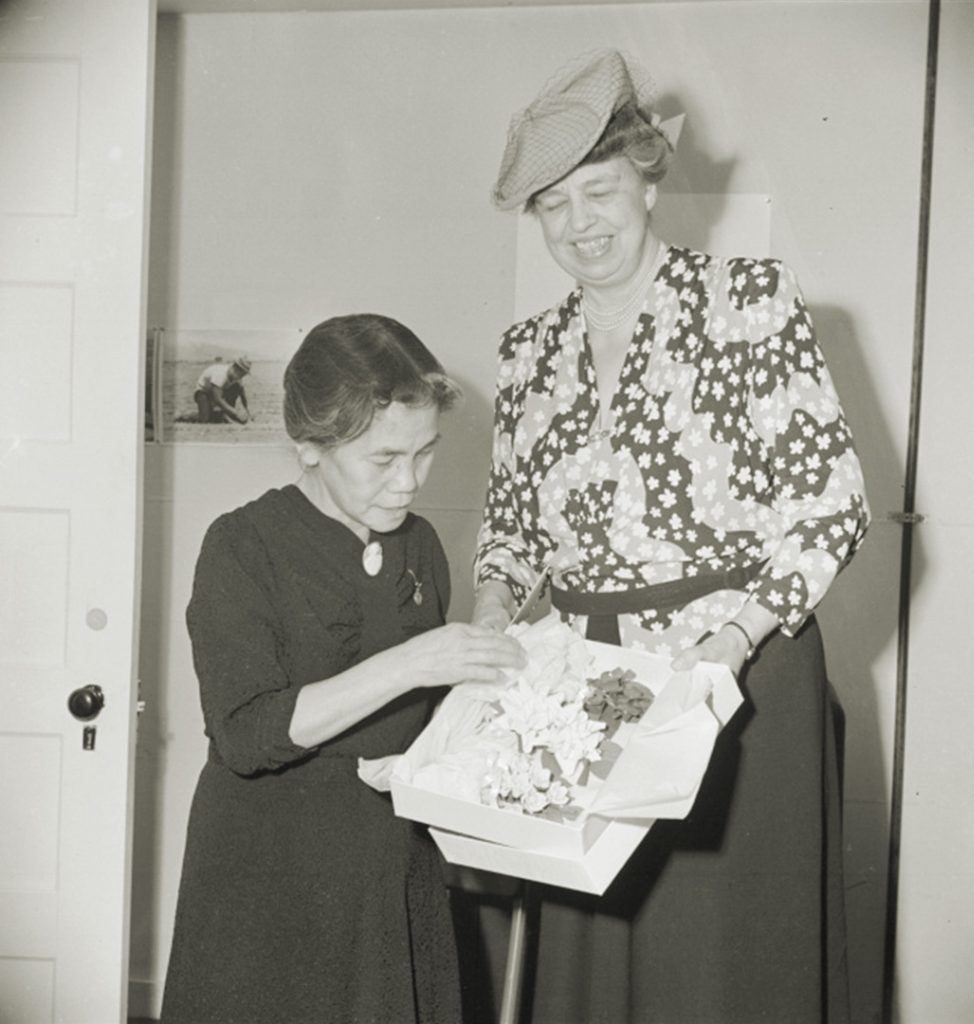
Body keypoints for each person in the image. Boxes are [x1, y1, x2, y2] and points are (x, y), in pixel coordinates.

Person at [470, 50, 870, 1023]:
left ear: (649, 179)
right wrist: (493, 619)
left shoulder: (747, 304)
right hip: (590, 690)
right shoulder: (528, 355)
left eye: (598, 190)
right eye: (554, 205)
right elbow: (512, 529)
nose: (580, 224)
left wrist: (725, 645)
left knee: (725, 969)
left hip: (739, 680)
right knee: (591, 961)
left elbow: (829, 503)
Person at [161, 313, 526, 1024]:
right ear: (308, 447)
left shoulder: (418, 548)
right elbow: (244, 733)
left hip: (389, 865)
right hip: (270, 872)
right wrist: (414, 662)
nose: (409, 483)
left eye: (424, 454)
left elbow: (420, 726)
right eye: (383, 459)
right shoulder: (241, 545)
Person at [193, 354, 252, 423]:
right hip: (203, 391)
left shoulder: (238, 376)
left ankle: (225, 414)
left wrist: (247, 411)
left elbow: (242, 394)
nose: (242, 377)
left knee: (236, 387)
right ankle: (192, 416)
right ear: (235, 368)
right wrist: (235, 412)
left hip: (220, 390)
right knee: (205, 420)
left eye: (244, 374)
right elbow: (217, 399)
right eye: (242, 374)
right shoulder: (220, 374)